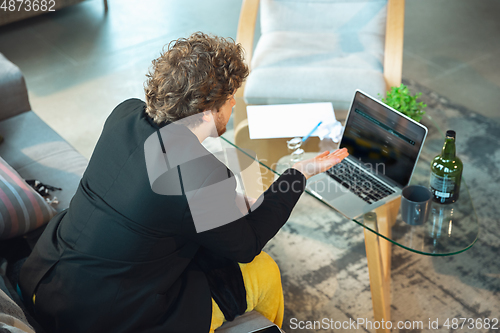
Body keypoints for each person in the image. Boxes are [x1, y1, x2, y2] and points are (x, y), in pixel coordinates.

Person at [19, 32, 349, 333]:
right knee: (264, 271)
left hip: (44, 279)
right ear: (207, 112)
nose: (234, 104)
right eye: (231, 98)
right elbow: (247, 246)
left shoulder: (125, 114)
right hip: (102, 319)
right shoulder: (200, 175)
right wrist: (299, 173)